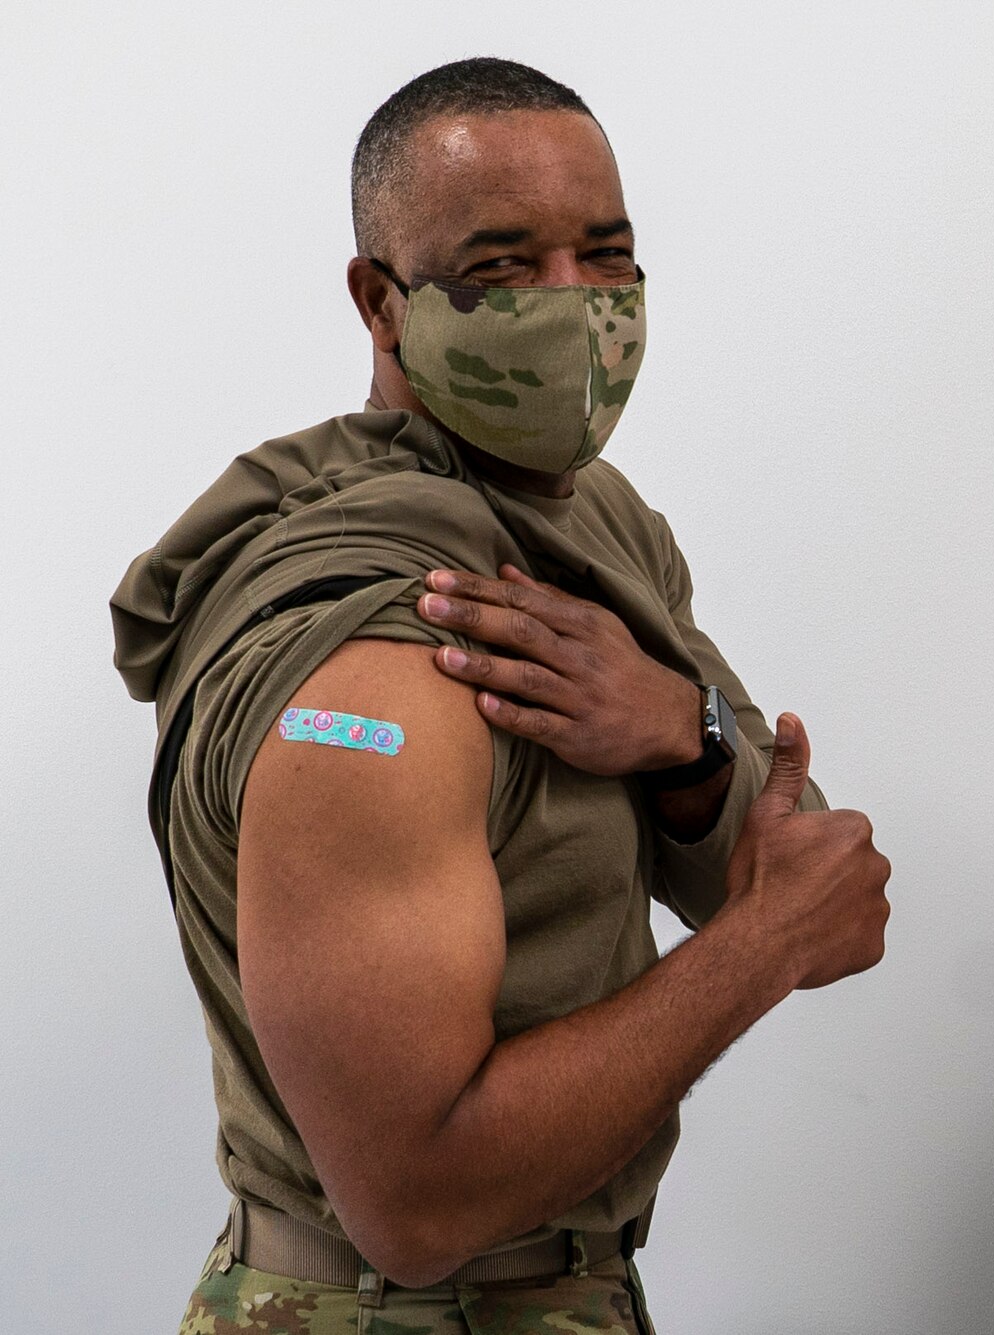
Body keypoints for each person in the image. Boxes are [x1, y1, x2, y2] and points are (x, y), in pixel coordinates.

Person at [111, 57, 891, 1333]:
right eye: (505, 266)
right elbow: (413, 1205)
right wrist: (758, 949)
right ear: (380, 302)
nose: (574, 307)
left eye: (606, 255)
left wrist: (679, 741)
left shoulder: (594, 531)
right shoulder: (391, 663)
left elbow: (837, 907)